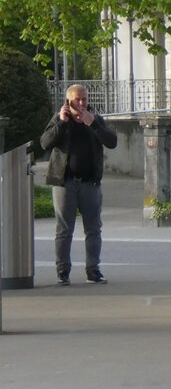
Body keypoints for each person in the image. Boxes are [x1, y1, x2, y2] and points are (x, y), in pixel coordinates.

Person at [39, 84, 117, 285]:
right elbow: (45, 143)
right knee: (64, 229)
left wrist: (94, 125)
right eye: (76, 99)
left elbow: (112, 141)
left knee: (93, 228)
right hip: (65, 183)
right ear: (68, 101)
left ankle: (93, 270)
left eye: (84, 99)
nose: (81, 103)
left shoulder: (95, 119)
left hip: (90, 182)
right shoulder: (59, 120)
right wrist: (62, 123)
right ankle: (62, 271)